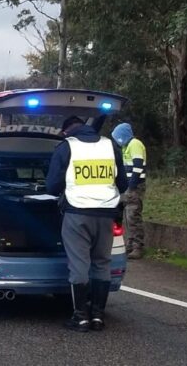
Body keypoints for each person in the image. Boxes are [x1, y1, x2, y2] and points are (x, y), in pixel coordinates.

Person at [46, 116, 128, 332]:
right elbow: (123, 183)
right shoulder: (110, 146)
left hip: (78, 213)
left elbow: (52, 187)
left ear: (67, 131)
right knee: (102, 263)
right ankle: (98, 317)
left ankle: (80, 317)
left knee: (79, 264)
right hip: (107, 214)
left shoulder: (67, 147)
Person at [111, 123, 147, 259]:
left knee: (133, 216)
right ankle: (130, 245)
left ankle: (138, 247)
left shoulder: (135, 144)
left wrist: (131, 186)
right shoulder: (127, 146)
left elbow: (138, 166)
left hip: (135, 187)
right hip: (129, 187)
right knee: (127, 217)